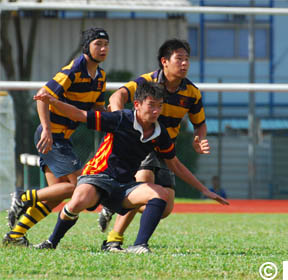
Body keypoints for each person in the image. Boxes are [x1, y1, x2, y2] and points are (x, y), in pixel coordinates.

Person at [31, 81, 229, 253]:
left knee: (160, 195)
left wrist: (204, 190)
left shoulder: (159, 133)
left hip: (124, 185)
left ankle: (139, 245)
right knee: (78, 202)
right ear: (137, 104)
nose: (156, 111)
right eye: (151, 105)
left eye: (159, 106)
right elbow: (81, 115)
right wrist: (53, 102)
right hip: (97, 177)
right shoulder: (121, 119)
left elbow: (174, 164)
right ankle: (51, 241)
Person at [99, 39, 210, 252]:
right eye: (179, 59)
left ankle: (117, 202)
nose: (185, 64)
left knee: (165, 207)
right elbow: (118, 95)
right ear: (164, 62)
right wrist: (119, 118)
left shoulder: (192, 93)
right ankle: (117, 239)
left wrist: (200, 138)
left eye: (187, 59)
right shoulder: (148, 81)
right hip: (142, 143)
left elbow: (200, 124)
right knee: (145, 184)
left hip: (165, 148)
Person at [3, 27, 110, 247]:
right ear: (87, 47)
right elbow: (42, 97)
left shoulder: (100, 77)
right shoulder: (72, 70)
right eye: (98, 44)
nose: (103, 48)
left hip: (61, 138)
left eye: (106, 44)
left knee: (54, 196)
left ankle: (15, 236)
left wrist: (114, 117)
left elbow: (98, 110)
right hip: (52, 136)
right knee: (79, 185)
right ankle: (22, 197)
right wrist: (48, 130)